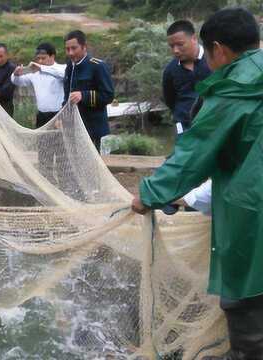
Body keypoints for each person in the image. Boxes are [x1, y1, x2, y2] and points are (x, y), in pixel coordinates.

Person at [131, 8, 263, 358]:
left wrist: (149, 194)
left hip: (251, 215)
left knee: (248, 301)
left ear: (217, 50)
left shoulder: (231, 90)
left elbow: (192, 154)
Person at [63, 30, 115, 152]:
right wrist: (62, 117)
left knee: (92, 169)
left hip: (94, 130)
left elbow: (108, 95)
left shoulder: (97, 66)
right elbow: (67, 97)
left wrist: (84, 95)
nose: (70, 53)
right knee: (75, 166)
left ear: (84, 47)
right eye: (67, 49)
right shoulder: (70, 67)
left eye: (74, 48)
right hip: (74, 129)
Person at [163, 20, 212, 134]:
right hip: (184, 128)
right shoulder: (170, 70)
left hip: (213, 125)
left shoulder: (214, 60)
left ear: (194, 39)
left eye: (180, 44)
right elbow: (170, 100)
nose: (175, 50)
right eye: (172, 46)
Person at [11, 42, 66, 128]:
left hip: (60, 115)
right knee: (41, 141)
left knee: (60, 140)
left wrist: (41, 68)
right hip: (41, 115)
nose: (40, 61)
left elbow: (63, 75)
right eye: (38, 58)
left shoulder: (62, 68)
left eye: (43, 58)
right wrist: (15, 74)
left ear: (52, 56)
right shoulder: (34, 73)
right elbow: (18, 81)